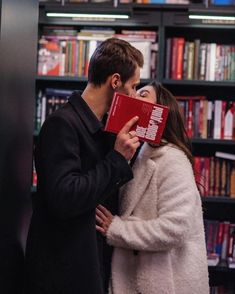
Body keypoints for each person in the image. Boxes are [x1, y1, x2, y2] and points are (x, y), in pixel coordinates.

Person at [24, 38, 143, 294]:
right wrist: (117, 158)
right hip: (61, 272)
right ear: (115, 82)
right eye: (133, 87)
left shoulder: (103, 129)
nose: (134, 96)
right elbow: (66, 197)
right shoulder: (62, 125)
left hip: (88, 264)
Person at [96, 81, 210, 294]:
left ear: (160, 111)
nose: (134, 98)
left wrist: (118, 229)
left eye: (144, 94)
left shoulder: (172, 159)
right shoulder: (137, 154)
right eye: (134, 92)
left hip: (168, 284)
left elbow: (175, 228)